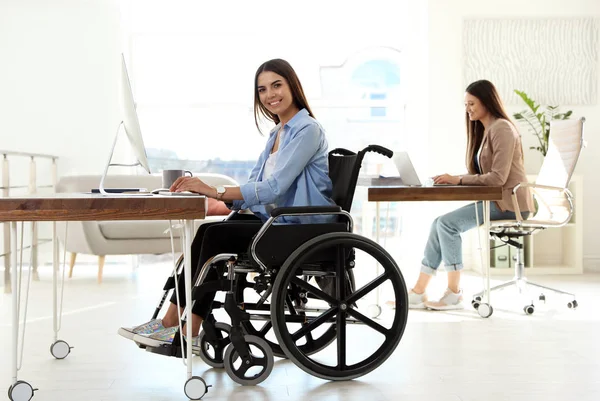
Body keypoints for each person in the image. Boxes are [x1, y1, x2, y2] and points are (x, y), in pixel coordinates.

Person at [118, 58, 336, 348]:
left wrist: (213, 189)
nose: (270, 94)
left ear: (292, 86)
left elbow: (274, 188)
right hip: (275, 222)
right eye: (262, 89)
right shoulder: (276, 133)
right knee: (209, 232)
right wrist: (210, 197)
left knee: (217, 236)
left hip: (299, 226)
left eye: (276, 85)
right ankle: (172, 322)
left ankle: (184, 327)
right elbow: (255, 184)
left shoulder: (307, 130)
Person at [410, 79, 534, 311]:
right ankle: (418, 292)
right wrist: (451, 179)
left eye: (472, 104)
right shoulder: (488, 130)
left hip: (510, 203)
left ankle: (454, 294)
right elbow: (483, 175)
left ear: (487, 102)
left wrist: (458, 180)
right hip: (496, 200)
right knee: (439, 223)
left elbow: (497, 178)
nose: (467, 109)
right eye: (465, 104)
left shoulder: (503, 129)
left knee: (447, 225)